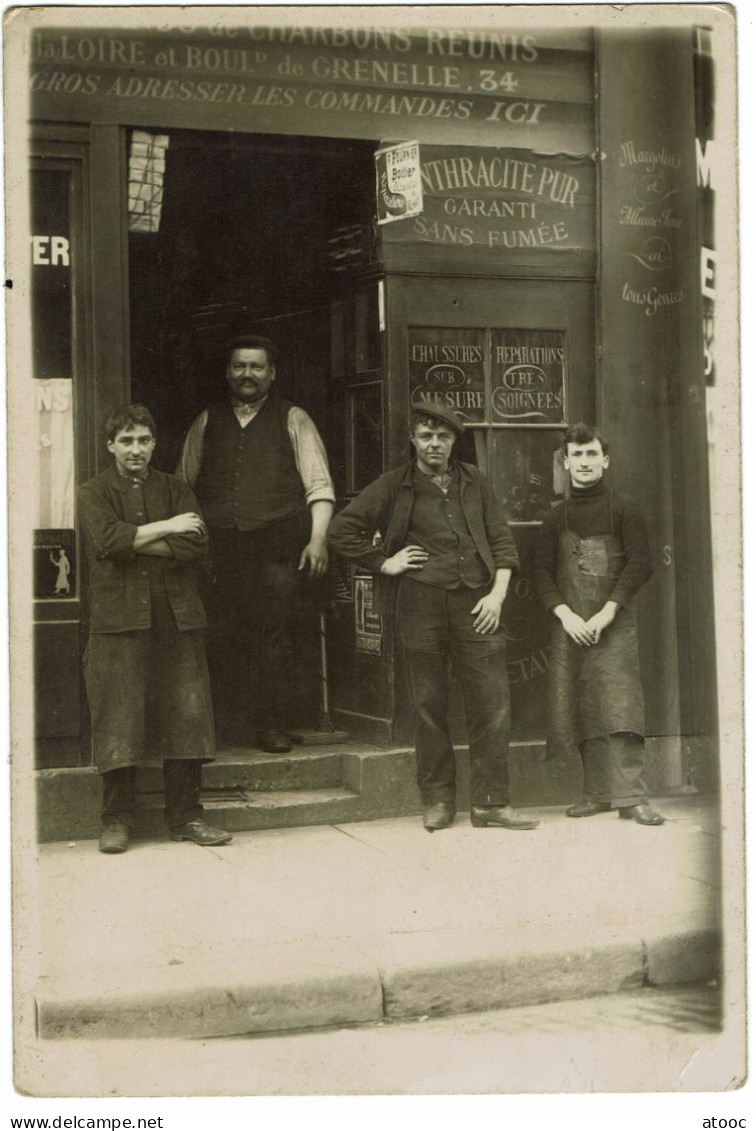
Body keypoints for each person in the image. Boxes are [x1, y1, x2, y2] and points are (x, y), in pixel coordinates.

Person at [328, 403, 538, 833]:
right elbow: (340, 530)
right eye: (426, 436)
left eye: (442, 436)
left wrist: (497, 595)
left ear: (454, 440)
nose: (434, 444)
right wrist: (385, 562)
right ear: (414, 440)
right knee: (427, 705)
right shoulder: (394, 486)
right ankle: (439, 800)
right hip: (419, 605)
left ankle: (492, 804)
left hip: (477, 606)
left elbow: (501, 540)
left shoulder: (475, 482)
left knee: (492, 704)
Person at [78, 403, 232, 854]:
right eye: (126, 441)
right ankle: (116, 820)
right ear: (110, 446)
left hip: (177, 616)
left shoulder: (176, 487)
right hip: (118, 619)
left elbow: (196, 545)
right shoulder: (94, 491)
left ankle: (186, 817)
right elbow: (105, 540)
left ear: (154, 443)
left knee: (186, 713)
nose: (136, 449)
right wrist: (164, 527)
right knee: (118, 714)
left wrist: (133, 540)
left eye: (144, 440)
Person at [177, 334, 335, 753]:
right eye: (240, 366)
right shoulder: (206, 421)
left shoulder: (293, 418)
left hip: (277, 549)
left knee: (273, 639)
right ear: (228, 372)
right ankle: (225, 729)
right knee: (221, 636)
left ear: (272, 373)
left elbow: (319, 486)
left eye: (257, 367)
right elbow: (181, 488)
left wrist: (317, 538)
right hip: (219, 553)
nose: (248, 374)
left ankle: (270, 726)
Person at [532, 422, 665, 825]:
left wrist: (608, 611)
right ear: (566, 462)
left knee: (620, 706)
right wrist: (566, 615)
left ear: (604, 460)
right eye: (577, 455)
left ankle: (633, 797)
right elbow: (539, 572)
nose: (585, 461)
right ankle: (596, 795)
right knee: (582, 707)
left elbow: (641, 563)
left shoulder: (625, 508)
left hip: (615, 624)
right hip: (570, 626)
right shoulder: (556, 518)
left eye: (592, 454)